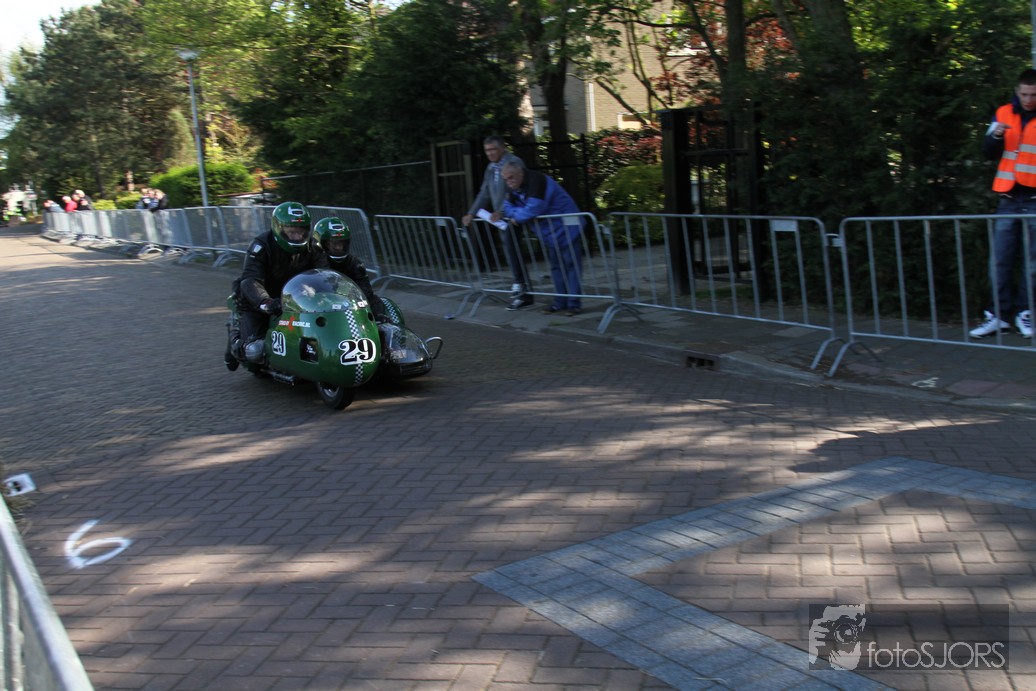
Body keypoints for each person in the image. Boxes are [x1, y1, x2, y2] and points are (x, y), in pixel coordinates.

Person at [971, 68, 1036, 339]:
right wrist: (995, 136)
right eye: (1024, 94)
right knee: (999, 260)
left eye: (1033, 95)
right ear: (1017, 91)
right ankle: (998, 316)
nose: (1028, 100)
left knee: (1033, 264)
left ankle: (1025, 314)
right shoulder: (1002, 113)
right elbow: (988, 152)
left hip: (1034, 199)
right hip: (1008, 198)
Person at [225, 201, 329, 368]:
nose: (297, 236)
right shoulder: (261, 245)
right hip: (260, 299)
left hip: (297, 298)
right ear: (278, 228)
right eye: (292, 231)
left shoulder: (314, 247)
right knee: (255, 351)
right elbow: (250, 280)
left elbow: (324, 275)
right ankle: (235, 339)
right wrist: (265, 302)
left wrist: (326, 295)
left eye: (301, 230)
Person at [500, 161, 584, 316]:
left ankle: (573, 304)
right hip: (551, 232)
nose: (508, 182)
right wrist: (520, 214)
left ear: (520, 173)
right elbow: (507, 209)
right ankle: (560, 302)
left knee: (571, 266)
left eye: (511, 177)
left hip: (567, 227)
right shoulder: (515, 186)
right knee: (556, 267)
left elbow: (534, 208)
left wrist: (517, 216)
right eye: (505, 179)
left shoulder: (537, 181)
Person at [462, 136, 533, 311]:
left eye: (493, 149)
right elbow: (484, 193)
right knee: (510, 251)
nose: (490, 153)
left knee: (513, 251)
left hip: (513, 215)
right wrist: (471, 212)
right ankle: (522, 290)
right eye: (487, 150)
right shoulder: (490, 168)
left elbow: (516, 190)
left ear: (503, 148)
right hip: (500, 218)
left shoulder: (514, 162)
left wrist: (502, 211)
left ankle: (523, 291)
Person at [314, 216, 387, 320]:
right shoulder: (312, 260)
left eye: (342, 243)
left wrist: (352, 299)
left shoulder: (354, 263)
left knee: (376, 301)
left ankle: (378, 322)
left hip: (347, 302)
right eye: (334, 243)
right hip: (320, 302)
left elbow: (365, 291)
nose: (338, 247)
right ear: (322, 243)